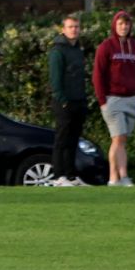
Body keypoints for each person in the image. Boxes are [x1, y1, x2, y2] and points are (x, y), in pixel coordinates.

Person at [92, 10, 135, 187]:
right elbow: (98, 75)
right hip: (112, 99)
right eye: (120, 24)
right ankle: (123, 176)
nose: (124, 27)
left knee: (120, 140)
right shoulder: (106, 47)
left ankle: (113, 178)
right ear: (115, 25)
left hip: (132, 99)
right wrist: (102, 100)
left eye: (127, 24)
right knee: (119, 137)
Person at [47, 14, 90, 187]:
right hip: (64, 102)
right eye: (71, 27)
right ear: (63, 29)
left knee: (74, 139)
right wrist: (63, 100)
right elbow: (55, 79)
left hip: (79, 100)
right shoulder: (58, 51)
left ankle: (71, 176)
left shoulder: (78, 50)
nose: (74, 30)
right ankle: (59, 176)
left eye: (77, 27)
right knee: (62, 139)